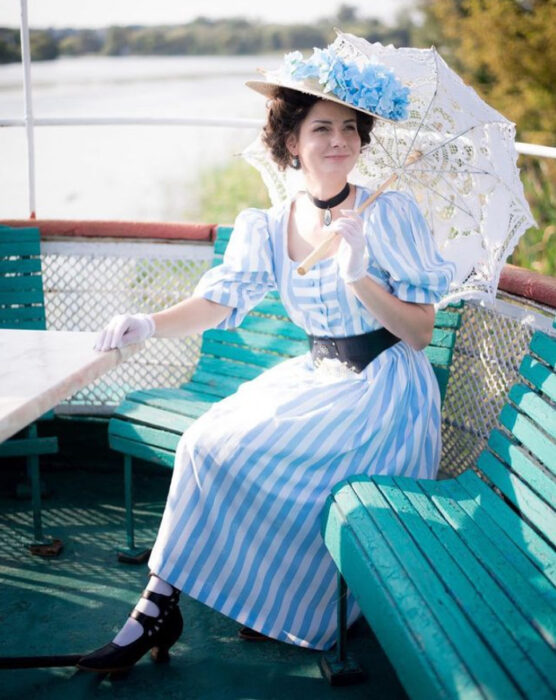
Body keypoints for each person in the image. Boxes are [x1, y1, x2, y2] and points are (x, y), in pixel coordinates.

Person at [77, 42, 456, 673]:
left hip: (387, 393)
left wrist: (359, 271)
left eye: (349, 128)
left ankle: (186, 609)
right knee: (203, 442)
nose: (339, 141)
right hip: (320, 376)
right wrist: (148, 323)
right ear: (291, 142)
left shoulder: (389, 213)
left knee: (263, 458)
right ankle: (159, 604)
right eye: (321, 128)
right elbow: (220, 303)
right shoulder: (271, 223)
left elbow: (418, 332)